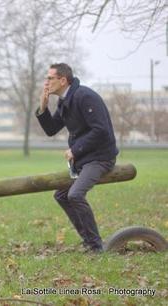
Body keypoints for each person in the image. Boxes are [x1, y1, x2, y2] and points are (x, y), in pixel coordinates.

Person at [35, 63, 118, 253]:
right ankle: (89, 241)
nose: (46, 82)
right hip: (83, 160)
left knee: (75, 194)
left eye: (50, 78)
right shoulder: (65, 100)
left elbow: (101, 130)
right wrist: (43, 107)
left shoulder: (84, 96)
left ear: (63, 80)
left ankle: (96, 247)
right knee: (61, 195)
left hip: (100, 158)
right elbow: (51, 130)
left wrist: (75, 150)